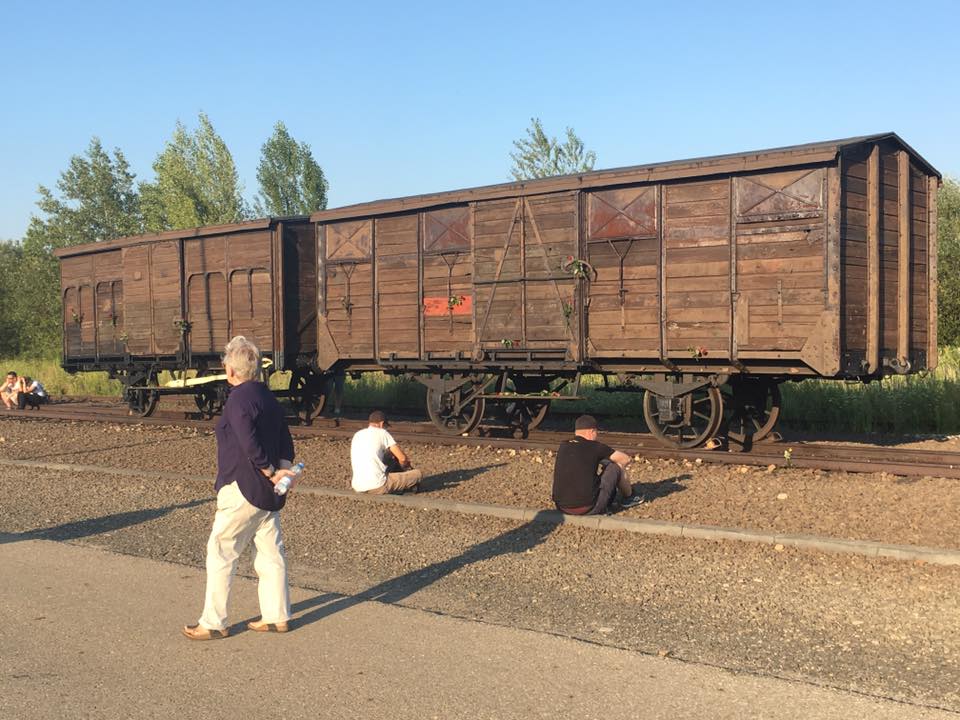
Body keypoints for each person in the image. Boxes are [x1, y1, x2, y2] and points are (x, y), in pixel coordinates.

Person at [183, 336, 298, 641]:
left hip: (241, 488)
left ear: (231, 370)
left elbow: (248, 442)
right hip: (268, 494)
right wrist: (282, 472)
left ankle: (214, 622)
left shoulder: (238, 399)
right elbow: (287, 440)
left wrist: (270, 470)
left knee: (221, 552)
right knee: (271, 554)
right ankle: (277, 616)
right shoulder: (268, 398)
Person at [552, 414, 643, 515]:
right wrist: (608, 462)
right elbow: (625, 459)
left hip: (561, 507)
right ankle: (630, 497)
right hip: (589, 508)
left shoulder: (564, 445)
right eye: (596, 433)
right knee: (615, 466)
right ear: (591, 431)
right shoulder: (595, 447)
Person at [351, 410, 423, 494]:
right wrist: (405, 466)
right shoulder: (382, 433)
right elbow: (402, 458)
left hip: (358, 486)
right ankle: (404, 486)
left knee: (389, 455)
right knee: (418, 474)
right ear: (381, 424)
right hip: (378, 486)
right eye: (385, 426)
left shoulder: (358, 434)